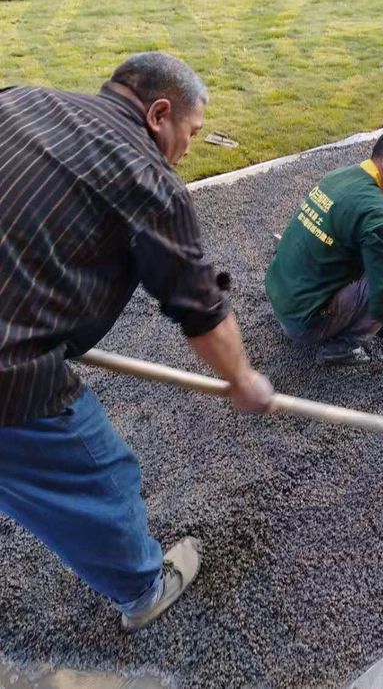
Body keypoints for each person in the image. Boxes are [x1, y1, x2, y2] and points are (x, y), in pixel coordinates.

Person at [0, 53, 273, 633]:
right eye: (191, 133)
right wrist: (243, 379)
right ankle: (142, 588)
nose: (188, 148)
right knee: (103, 475)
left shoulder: (20, 101)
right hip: (11, 370)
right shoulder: (148, 181)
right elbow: (200, 305)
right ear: (159, 113)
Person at [266, 125, 383, 365]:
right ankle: (342, 346)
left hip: (281, 297)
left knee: (379, 258)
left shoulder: (337, 177)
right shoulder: (378, 216)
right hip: (304, 323)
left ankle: (358, 318)